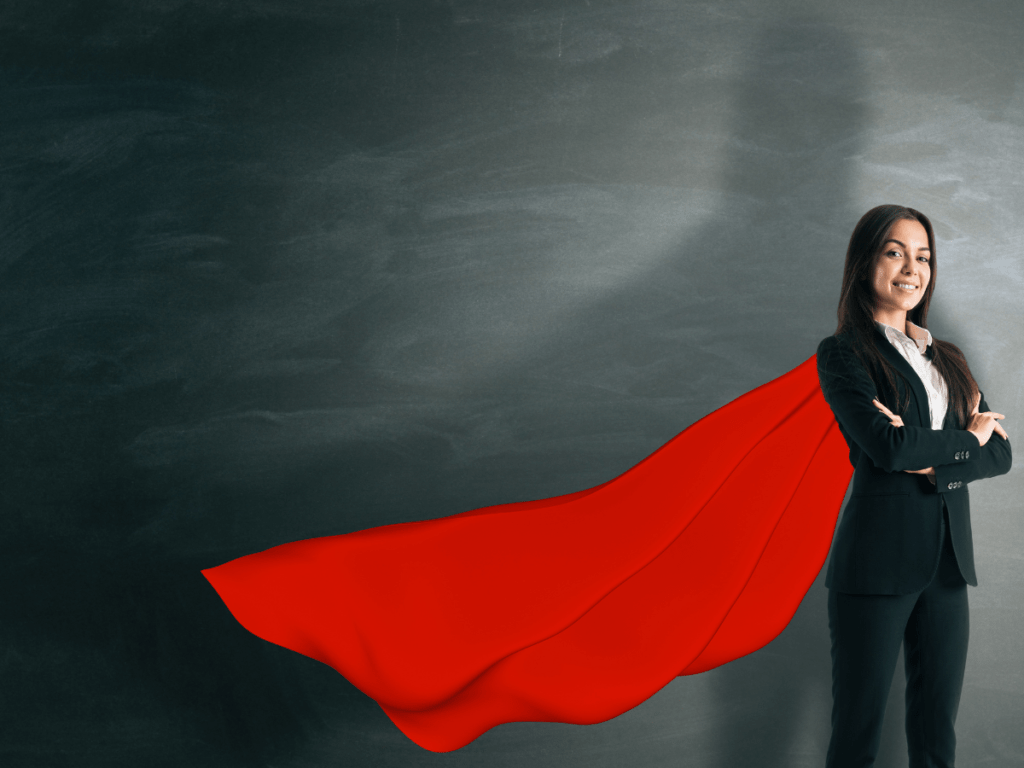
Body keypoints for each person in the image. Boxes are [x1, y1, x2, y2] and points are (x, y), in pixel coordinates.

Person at [815, 204, 1012, 767]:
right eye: (894, 251)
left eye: (922, 256)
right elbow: (887, 448)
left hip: (949, 565)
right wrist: (962, 441)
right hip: (876, 564)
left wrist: (942, 451)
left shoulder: (947, 357)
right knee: (857, 730)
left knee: (935, 733)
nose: (911, 267)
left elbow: (1000, 451)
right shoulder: (845, 353)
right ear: (865, 261)